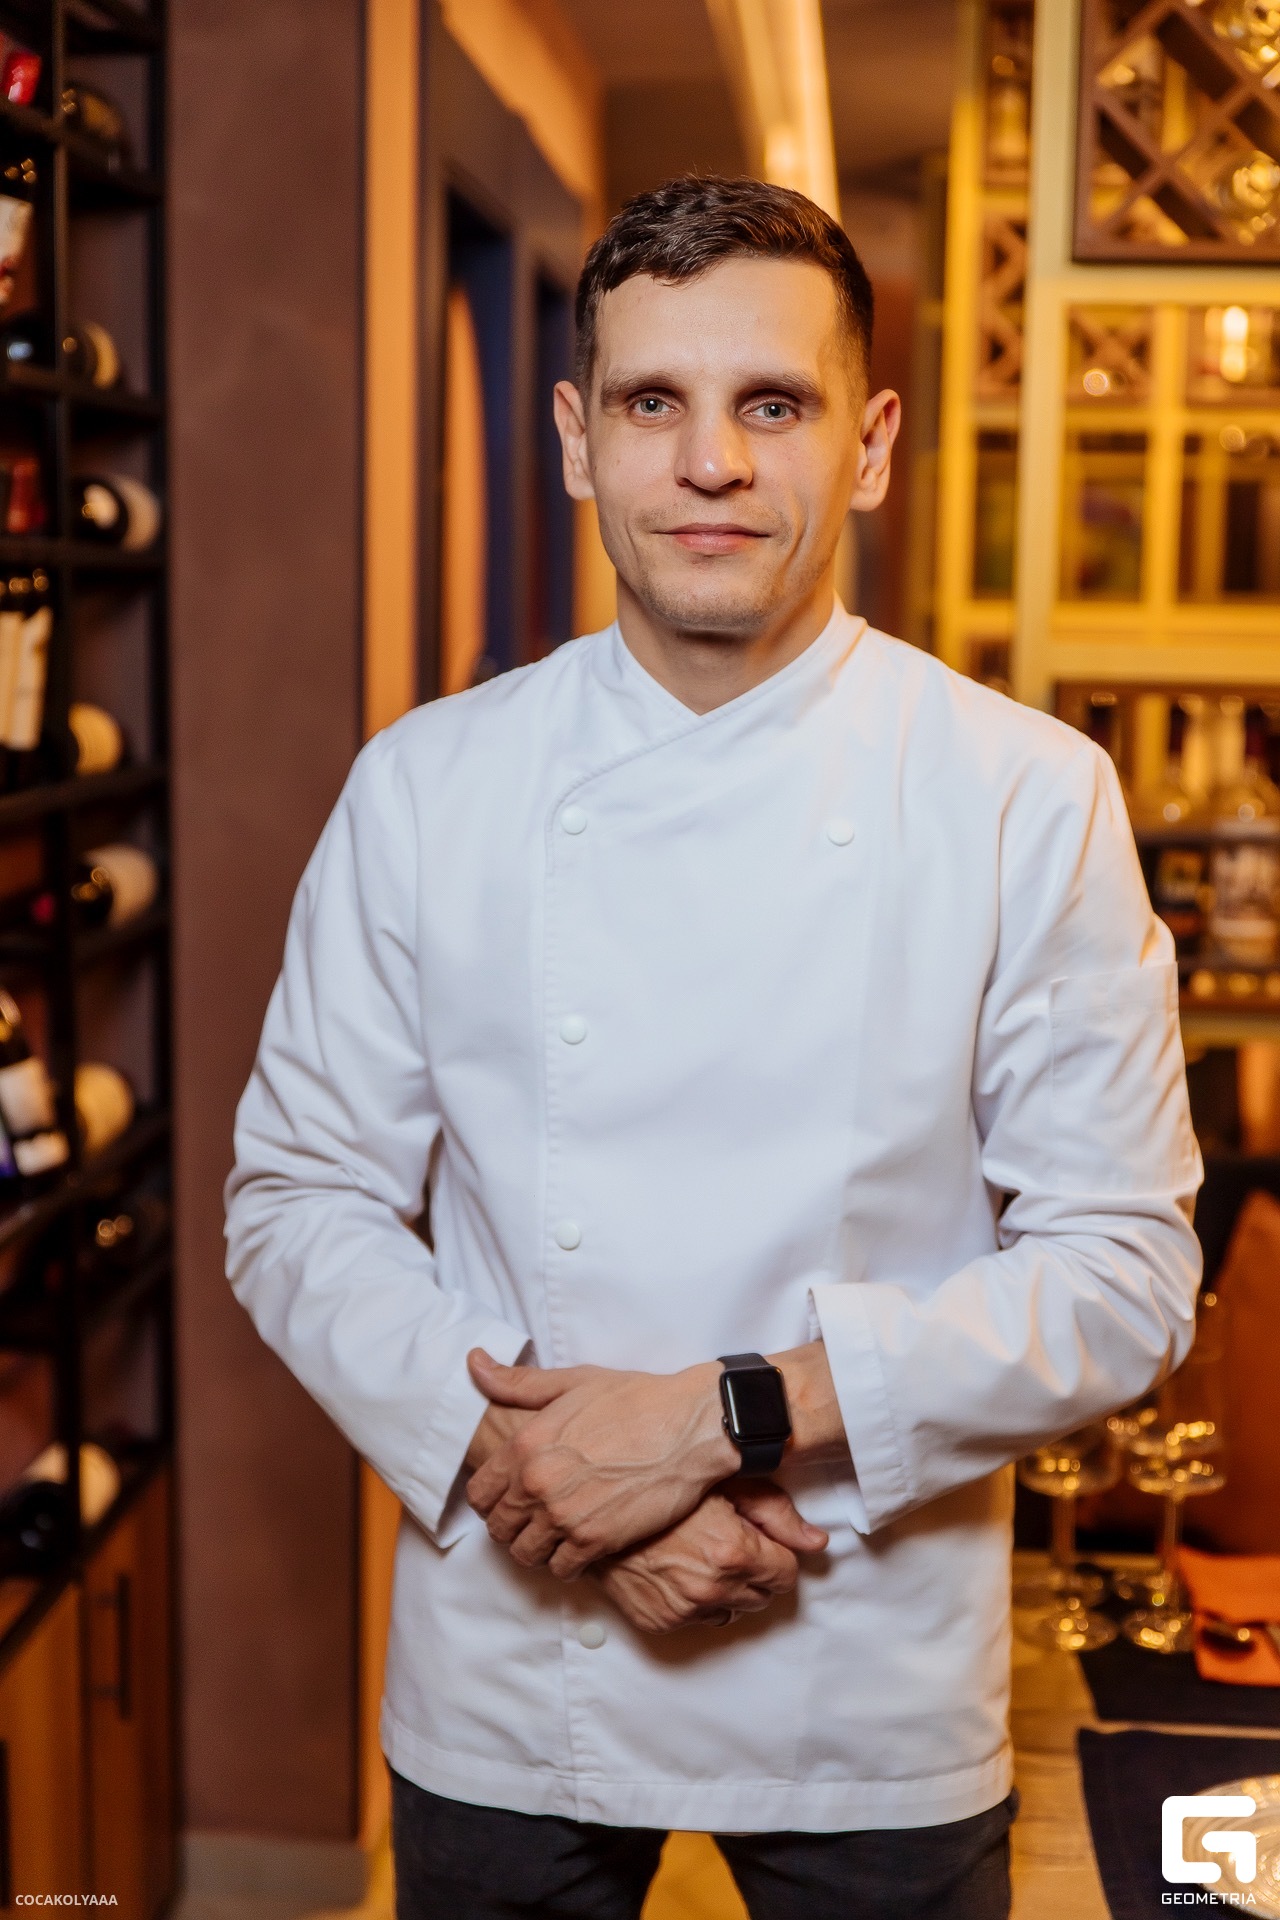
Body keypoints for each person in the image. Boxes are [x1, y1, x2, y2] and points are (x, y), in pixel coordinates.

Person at [225, 175, 1202, 1920]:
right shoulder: (428, 788)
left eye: (773, 404)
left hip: (866, 1668)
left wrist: (719, 1424)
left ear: (870, 444)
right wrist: (555, 1482)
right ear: (576, 439)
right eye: (652, 403)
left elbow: (1123, 1273)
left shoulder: (1023, 797)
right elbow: (297, 1202)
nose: (710, 463)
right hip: (516, 1671)